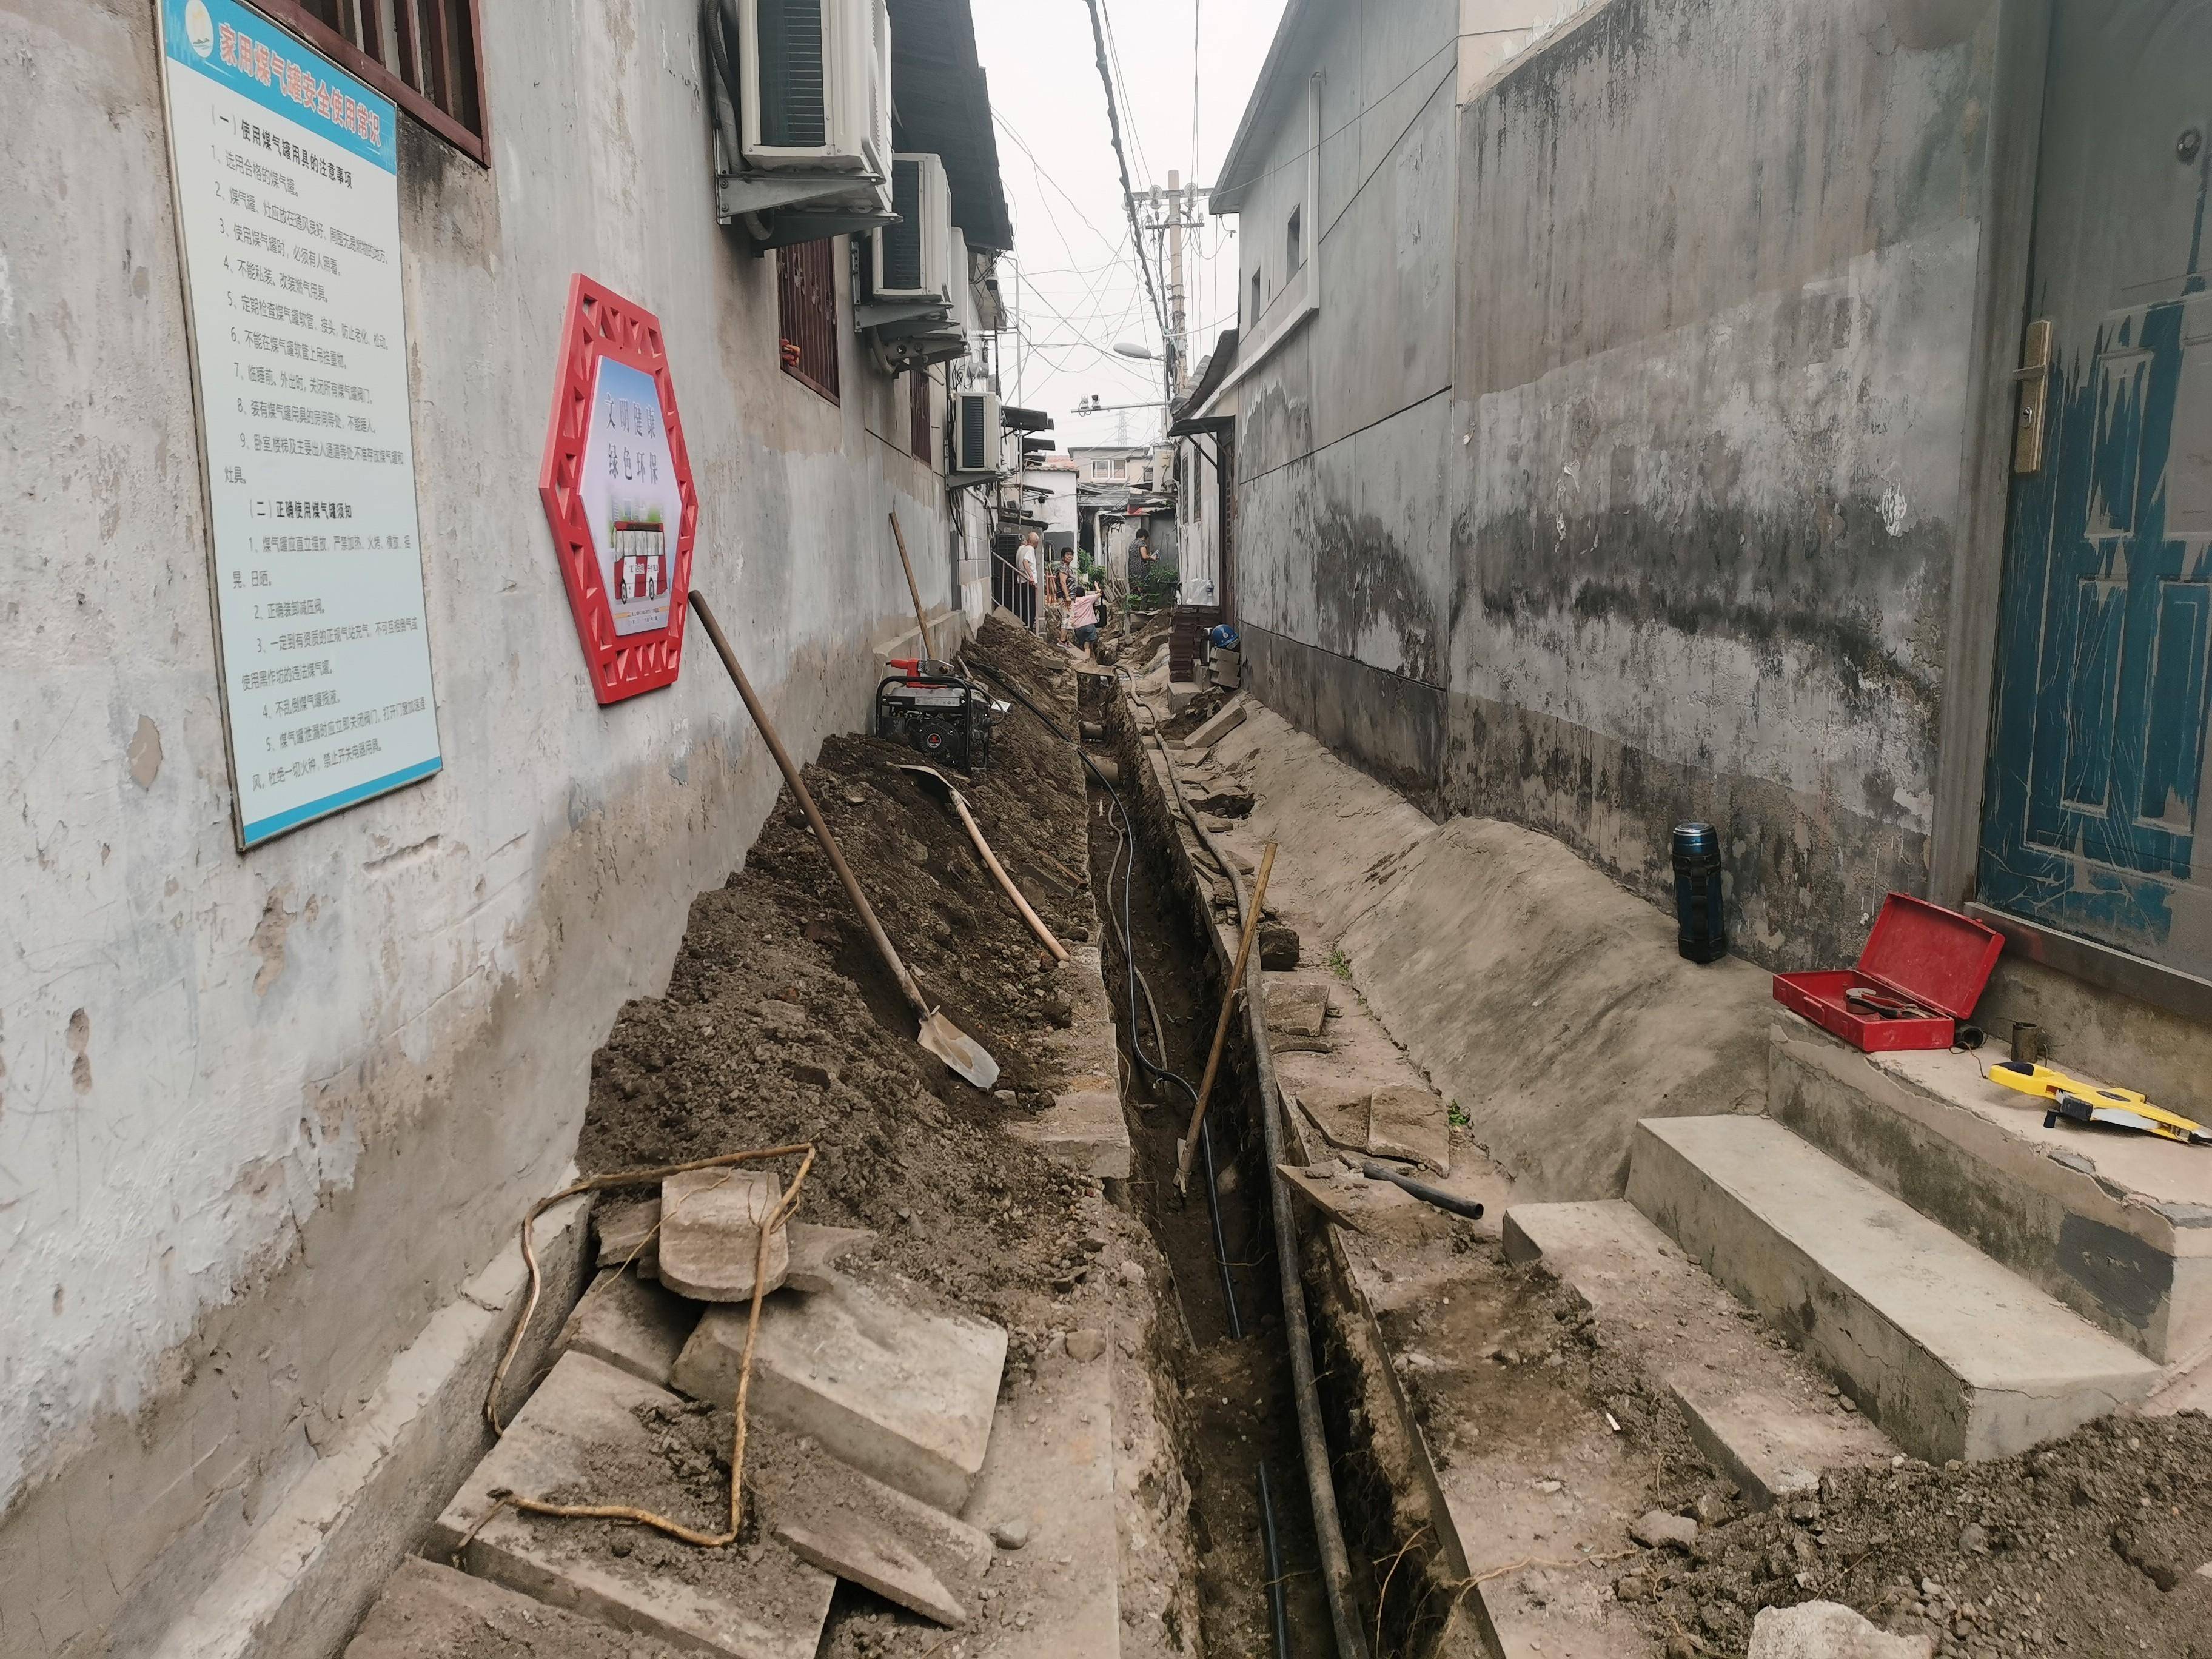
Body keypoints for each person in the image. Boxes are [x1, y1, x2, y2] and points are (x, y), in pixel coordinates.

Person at [1015, 532, 1041, 632]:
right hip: (1029, 582)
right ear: (1036, 543)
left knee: (1025, 605)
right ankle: (1029, 627)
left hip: (1022, 581)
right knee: (1031, 606)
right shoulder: (1030, 549)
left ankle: (1026, 625)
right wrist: (1031, 577)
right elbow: (1025, 561)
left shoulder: (1021, 549)